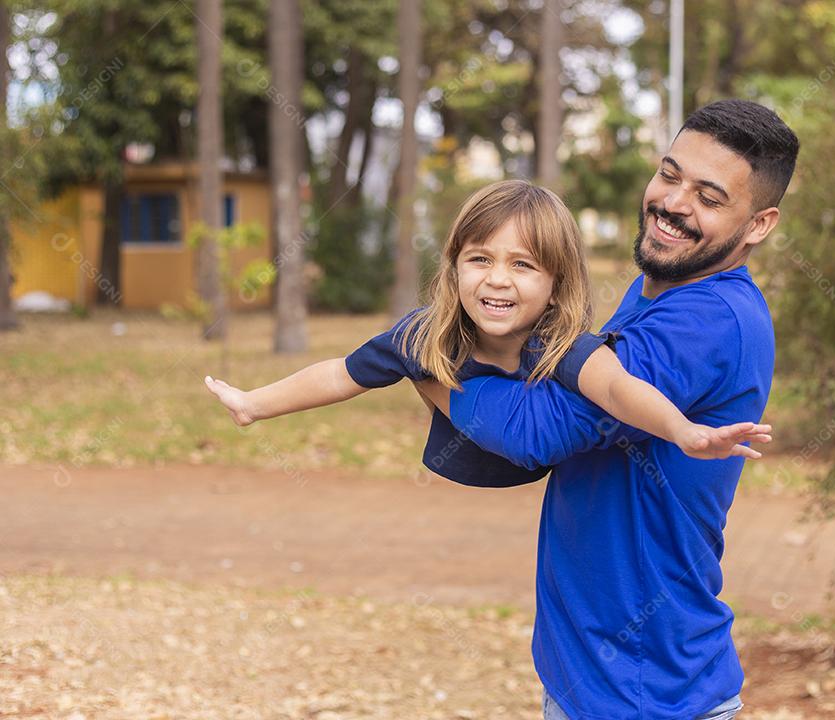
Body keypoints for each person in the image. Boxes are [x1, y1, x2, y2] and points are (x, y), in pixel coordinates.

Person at [412, 99, 800, 720]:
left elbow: (534, 431)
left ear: (758, 225)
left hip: (646, 693)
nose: (674, 203)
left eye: (709, 196)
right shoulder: (656, 289)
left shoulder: (705, 322)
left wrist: (421, 355)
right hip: (597, 678)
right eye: (670, 175)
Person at [203, 180, 772, 488]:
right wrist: (253, 403)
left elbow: (620, 390)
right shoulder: (422, 335)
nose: (497, 280)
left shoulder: (561, 343)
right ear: (453, 267)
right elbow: (338, 374)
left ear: (556, 284)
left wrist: (683, 431)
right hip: (474, 460)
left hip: (527, 455)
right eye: (480, 259)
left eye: (523, 265)